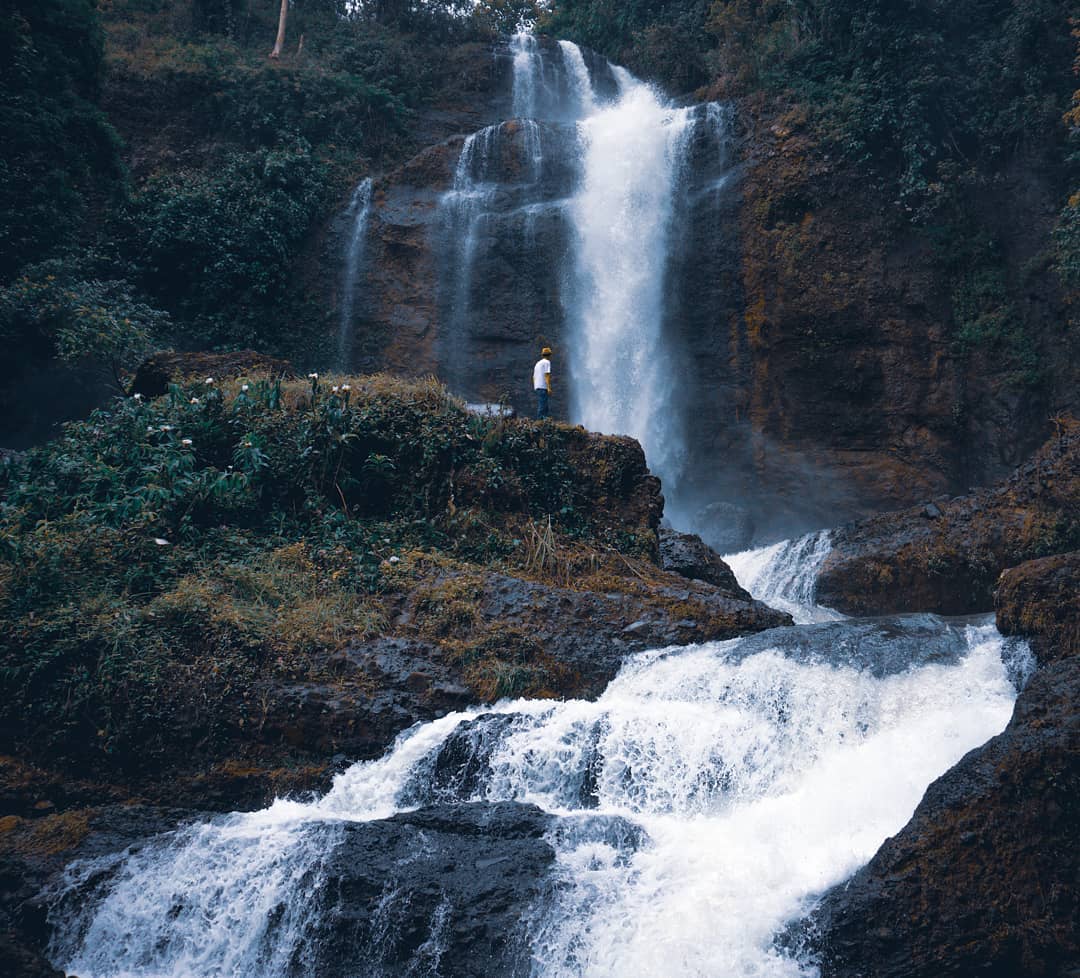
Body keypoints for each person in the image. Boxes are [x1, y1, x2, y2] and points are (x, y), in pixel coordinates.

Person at [533, 346, 552, 419]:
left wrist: (535, 386)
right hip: (543, 386)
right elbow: (547, 375)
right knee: (543, 404)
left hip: (538, 386)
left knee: (544, 403)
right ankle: (541, 419)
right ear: (549, 355)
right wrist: (548, 387)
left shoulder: (538, 363)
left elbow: (533, 376)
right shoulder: (547, 362)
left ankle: (544, 418)